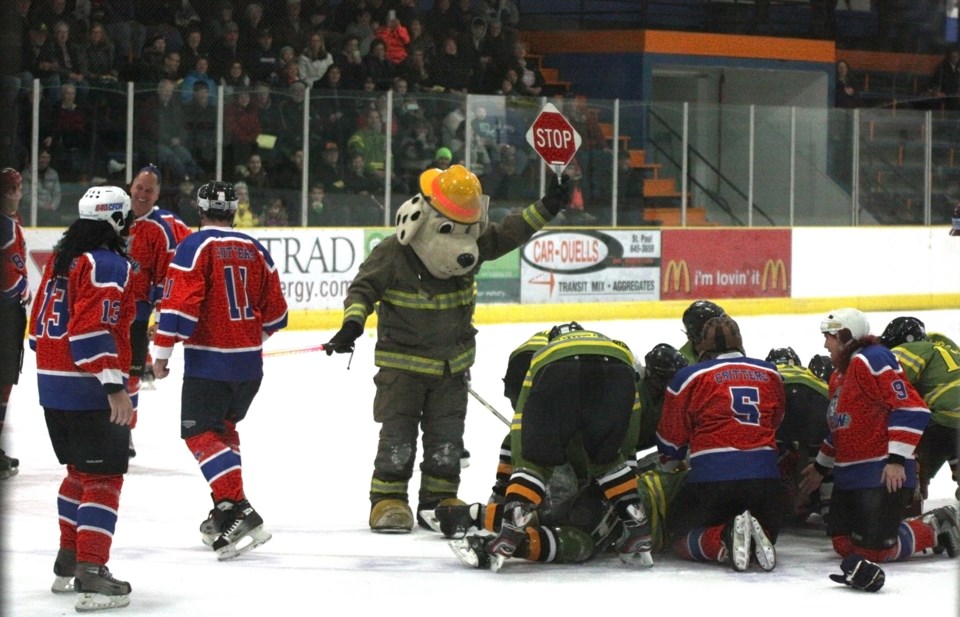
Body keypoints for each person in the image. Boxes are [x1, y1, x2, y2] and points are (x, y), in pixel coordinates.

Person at [323, 165, 569, 533]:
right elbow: (363, 288)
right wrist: (352, 324)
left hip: (451, 368)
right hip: (402, 367)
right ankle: (388, 499)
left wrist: (548, 205)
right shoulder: (393, 252)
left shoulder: (475, 241)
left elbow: (509, 232)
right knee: (397, 436)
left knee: (447, 438)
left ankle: (438, 500)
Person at [152, 181, 288, 560]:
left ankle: (239, 507)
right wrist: (249, 335)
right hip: (248, 366)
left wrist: (161, 352)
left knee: (199, 434)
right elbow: (277, 313)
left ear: (200, 209)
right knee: (224, 430)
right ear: (234, 209)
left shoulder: (194, 247)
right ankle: (227, 510)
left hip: (210, 363)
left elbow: (179, 305)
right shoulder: (255, 248)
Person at [461, 323, 653, 571]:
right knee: (606, 460)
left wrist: (526, 462)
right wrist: (624, 460)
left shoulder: (544, 354)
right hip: (618, 371)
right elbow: (631, 422)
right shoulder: (616, 347)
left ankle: (511, 530)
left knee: (536, 460)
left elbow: (521, 428)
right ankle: (639, 528)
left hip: (558, 370)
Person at [30, 185, 135, 611]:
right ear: (117, 220)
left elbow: (39, 329)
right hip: (87, 387)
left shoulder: (63, 259)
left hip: (51, 385)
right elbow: (91, 332)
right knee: (104, 478)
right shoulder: (106, 263)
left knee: (78, 472)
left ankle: (68, 560)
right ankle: (90, 572)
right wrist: (114, 387)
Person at [797, 308, 960, 571]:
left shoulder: (872, 358)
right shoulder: (838, 376)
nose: (825, 343)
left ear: (846, 335)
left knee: (874, 552)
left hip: (881, 476)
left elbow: (911, 409)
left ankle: (935, 526)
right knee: (842, 545)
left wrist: (896, 460)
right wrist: (819, 468)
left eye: (830, 336)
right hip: (849, 479)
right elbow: (841, 428)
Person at [657, 315, 784, 571]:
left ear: (701, 348)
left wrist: (677, 455)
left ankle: (722, 538)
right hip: (766, 485)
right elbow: (776, 421)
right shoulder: (770, 372)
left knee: (678, 535)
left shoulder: (689, 377)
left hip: (712, 485)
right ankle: (759, 531)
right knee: (767, 525)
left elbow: (670, 441)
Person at [879, 316, 960, 503]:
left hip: (944, 421)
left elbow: (889, 390)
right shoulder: (947, 350)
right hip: (951, 422)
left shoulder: (908, 350)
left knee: (904, 438)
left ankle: (911, 496)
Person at [125, 166, 177, 452]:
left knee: (132, 375)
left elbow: (164, 280)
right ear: (131, 186)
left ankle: (125, 431)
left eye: (149, 190)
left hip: (136, 313)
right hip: (105, 312)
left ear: (157, 194)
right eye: (139, 187)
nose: (142, 194)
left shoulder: (160, 231)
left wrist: (160, 319)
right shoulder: (112, 216)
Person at [764, 346, 831, 524]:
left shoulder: (767, 373)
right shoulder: (809, 373)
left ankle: (774, 499)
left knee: (768, 451)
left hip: (780, 398)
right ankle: (828, 506)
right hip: (820, 401)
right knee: (823, 453)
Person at [0, 169, 28, 478]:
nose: (19, 193)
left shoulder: (12, 222)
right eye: (16, 188)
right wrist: (20, 288)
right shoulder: (6, 226)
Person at [678, 299, 725, 364]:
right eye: (717, 327)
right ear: (700, 334)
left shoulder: (728, 348)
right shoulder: (685, 364)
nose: (725, 329)